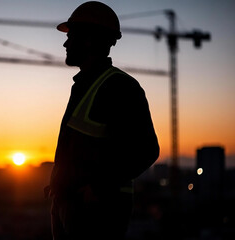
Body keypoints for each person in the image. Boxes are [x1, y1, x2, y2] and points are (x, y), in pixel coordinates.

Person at [46, 1, 160, 240]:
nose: (65, 43)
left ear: (89, 39)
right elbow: (81, 149)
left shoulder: (118, 87)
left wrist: (99, 188)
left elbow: (147, 150)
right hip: (69, 205)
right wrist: (59, 184)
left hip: (97, 212)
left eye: (72, 35)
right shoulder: (85, 85)